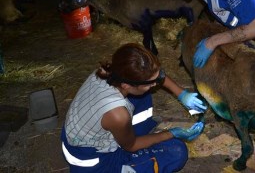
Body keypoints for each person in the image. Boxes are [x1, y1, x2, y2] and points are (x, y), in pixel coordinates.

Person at [61, 43, 207, 172]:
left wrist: (181, 93)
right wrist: (172, 133)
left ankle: (136, 132)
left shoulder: (108, 71)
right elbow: (130, 146)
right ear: (126, 85)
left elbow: (153, 75)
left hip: (81, 133)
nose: (155, 84)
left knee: (143, 94)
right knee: (176, 151)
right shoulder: (118, 114)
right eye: (150, 83)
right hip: (94, 162)